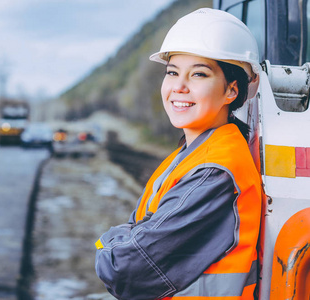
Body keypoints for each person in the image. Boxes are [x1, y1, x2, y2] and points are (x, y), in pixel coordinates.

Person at [94, 8, 262, 300]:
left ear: (231, 90)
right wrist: (130, 237)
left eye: (199, 74)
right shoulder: (196, 152)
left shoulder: (215, 171)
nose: (179, 87)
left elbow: (126, 268)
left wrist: (105, 243)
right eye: (172, 72)